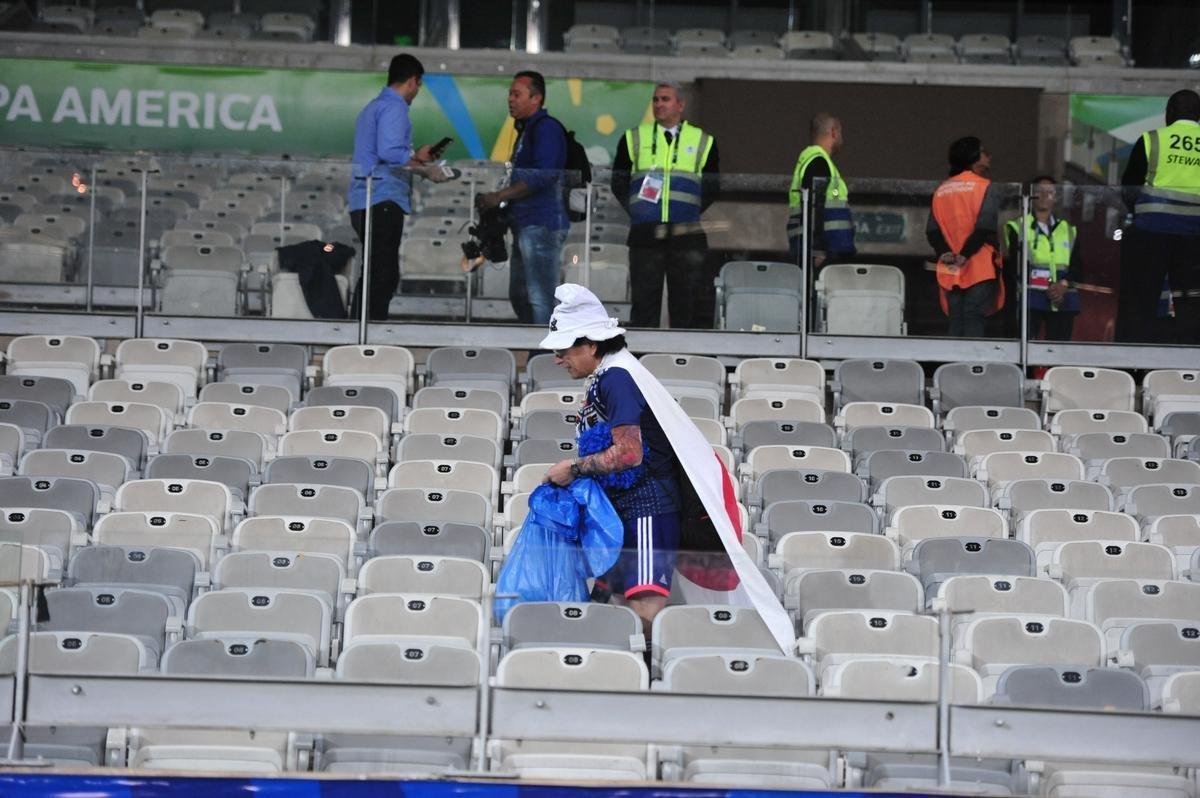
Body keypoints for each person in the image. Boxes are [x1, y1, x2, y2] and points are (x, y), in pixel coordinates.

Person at [539, 284, 791, 647]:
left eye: (563, 349)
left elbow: (629, 453)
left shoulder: (618, 379)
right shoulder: (613, 373)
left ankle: (643, 681)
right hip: (629, 506)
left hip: (647, 508)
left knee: (643, 607)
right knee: (612, 602)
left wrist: (574, 469)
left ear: (590, 345)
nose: (558, 358)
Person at [611, 82, 720, 329]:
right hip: (645, 232)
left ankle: (683, 360)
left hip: (686, 233)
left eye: (665, 99)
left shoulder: (704, 141)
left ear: (680, 105)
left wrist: (688, 212)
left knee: (686, 304)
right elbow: (618, 183)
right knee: (644, 303)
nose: (659, 104)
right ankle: (643, 361)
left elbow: (713, 187)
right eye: (656, 99)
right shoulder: (632, 138)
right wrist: (638, 210)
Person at [346, 53, 439, 321]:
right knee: (382, 273)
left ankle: (360, 327)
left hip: (363, 199)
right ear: (412, 81)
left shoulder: (372, 107)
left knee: (375, 269)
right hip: (382, 198)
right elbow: (390, 152)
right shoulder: (394, 107)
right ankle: (367, 332)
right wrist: (423, 166)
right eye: (418, 86)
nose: (417, 92)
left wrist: (416, 160)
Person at [478, 71, 569, 325]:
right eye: (510, 94)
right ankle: (537, 349)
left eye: (517, 94)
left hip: (542, 223)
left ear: (536, 98)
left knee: (539, 297)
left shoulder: (546, 129)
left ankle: (544, 357)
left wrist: (500, 196)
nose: (510, 99)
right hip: (525, 223)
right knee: (520, 295)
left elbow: (543, 176)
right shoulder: (527, 130)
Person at [1117, 89, 1200, 344]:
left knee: (1140, 300)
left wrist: (1139, 211)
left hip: (1151, 232)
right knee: (1192, 303)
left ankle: (1133, 365)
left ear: (1169, 113)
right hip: (1195, 238)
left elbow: (1129, 187)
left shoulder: (1153, 139)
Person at [926, 136, 1005, 337]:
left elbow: (932, 231)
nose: (989, 156)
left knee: (956, 318)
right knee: (973, 316)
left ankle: (954, 366)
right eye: (984, 151)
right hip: (978, 265)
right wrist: (965, 254)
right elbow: (985, 228)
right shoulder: (985, 186)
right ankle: (971, 365)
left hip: (950, 266)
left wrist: (946, 253)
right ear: (974, 157)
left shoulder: (941, 189)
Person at [1004, 176, 1083, 341]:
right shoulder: (1018, 226)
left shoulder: (1068, 229)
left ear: (1056, 197)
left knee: (1059, 355)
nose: (1045, 195)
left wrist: (1063, 285)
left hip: (1064, 300)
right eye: (1039, 191)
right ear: (1031, 196)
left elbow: (1078, 266)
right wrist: (1049, 286)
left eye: (1050, 192)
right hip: (1032, 300)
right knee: (1026, 352)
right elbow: (1016, 266)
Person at [786, 112, 855, 268]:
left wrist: (836, 193)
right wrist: (818, 248)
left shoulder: (814, 160)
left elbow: (831, 196)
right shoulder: (819, 161)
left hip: (820, 248)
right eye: (840, 132)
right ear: (833, 132)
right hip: (821, 252)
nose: (841, 138)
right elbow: (814, 204)